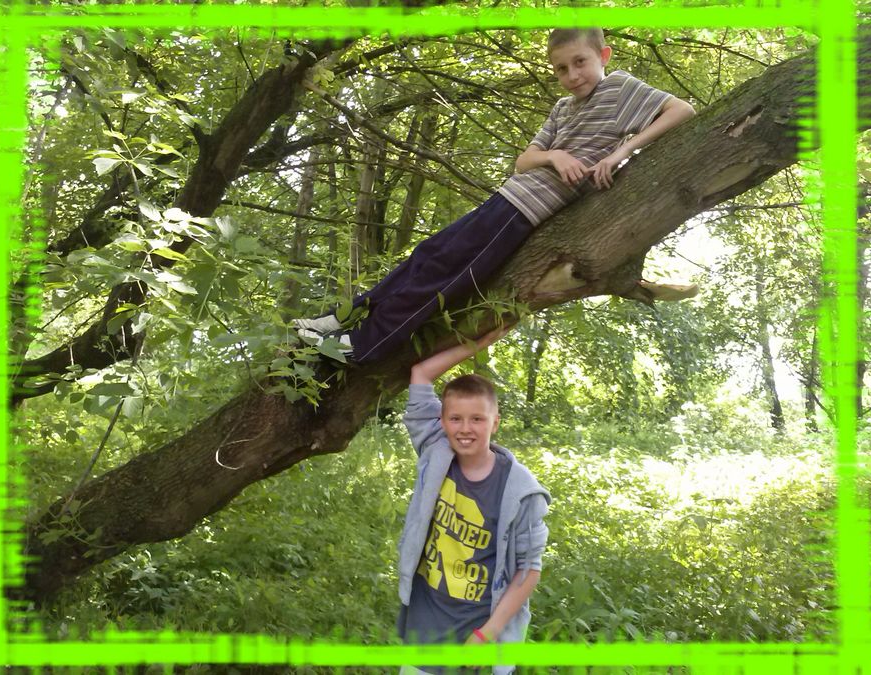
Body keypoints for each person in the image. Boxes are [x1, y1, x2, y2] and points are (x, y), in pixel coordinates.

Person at [295, 28, 696, 362]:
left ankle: (362, 346)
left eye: (580, 62)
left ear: (603, 56)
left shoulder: (619, 88)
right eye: (561, 68)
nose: (573, 75)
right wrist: (555, 156)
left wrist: (621, 152)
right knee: (427, 255)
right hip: (507, 198)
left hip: (526, 211)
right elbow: (524, 161)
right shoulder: (562, 108)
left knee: (444, 274)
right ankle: (342, 318)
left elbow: (682, 110)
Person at [396, 327, 550, 675]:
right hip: (426, 628)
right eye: (456, 419)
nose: (465, 428)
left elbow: (529, 569)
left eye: (477, 419)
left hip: (479, 633)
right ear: (442, 422)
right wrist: (477, 344)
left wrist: (487, 633)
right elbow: (420, 374)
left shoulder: (521, 490)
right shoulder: (435, 451)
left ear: (495, 423)